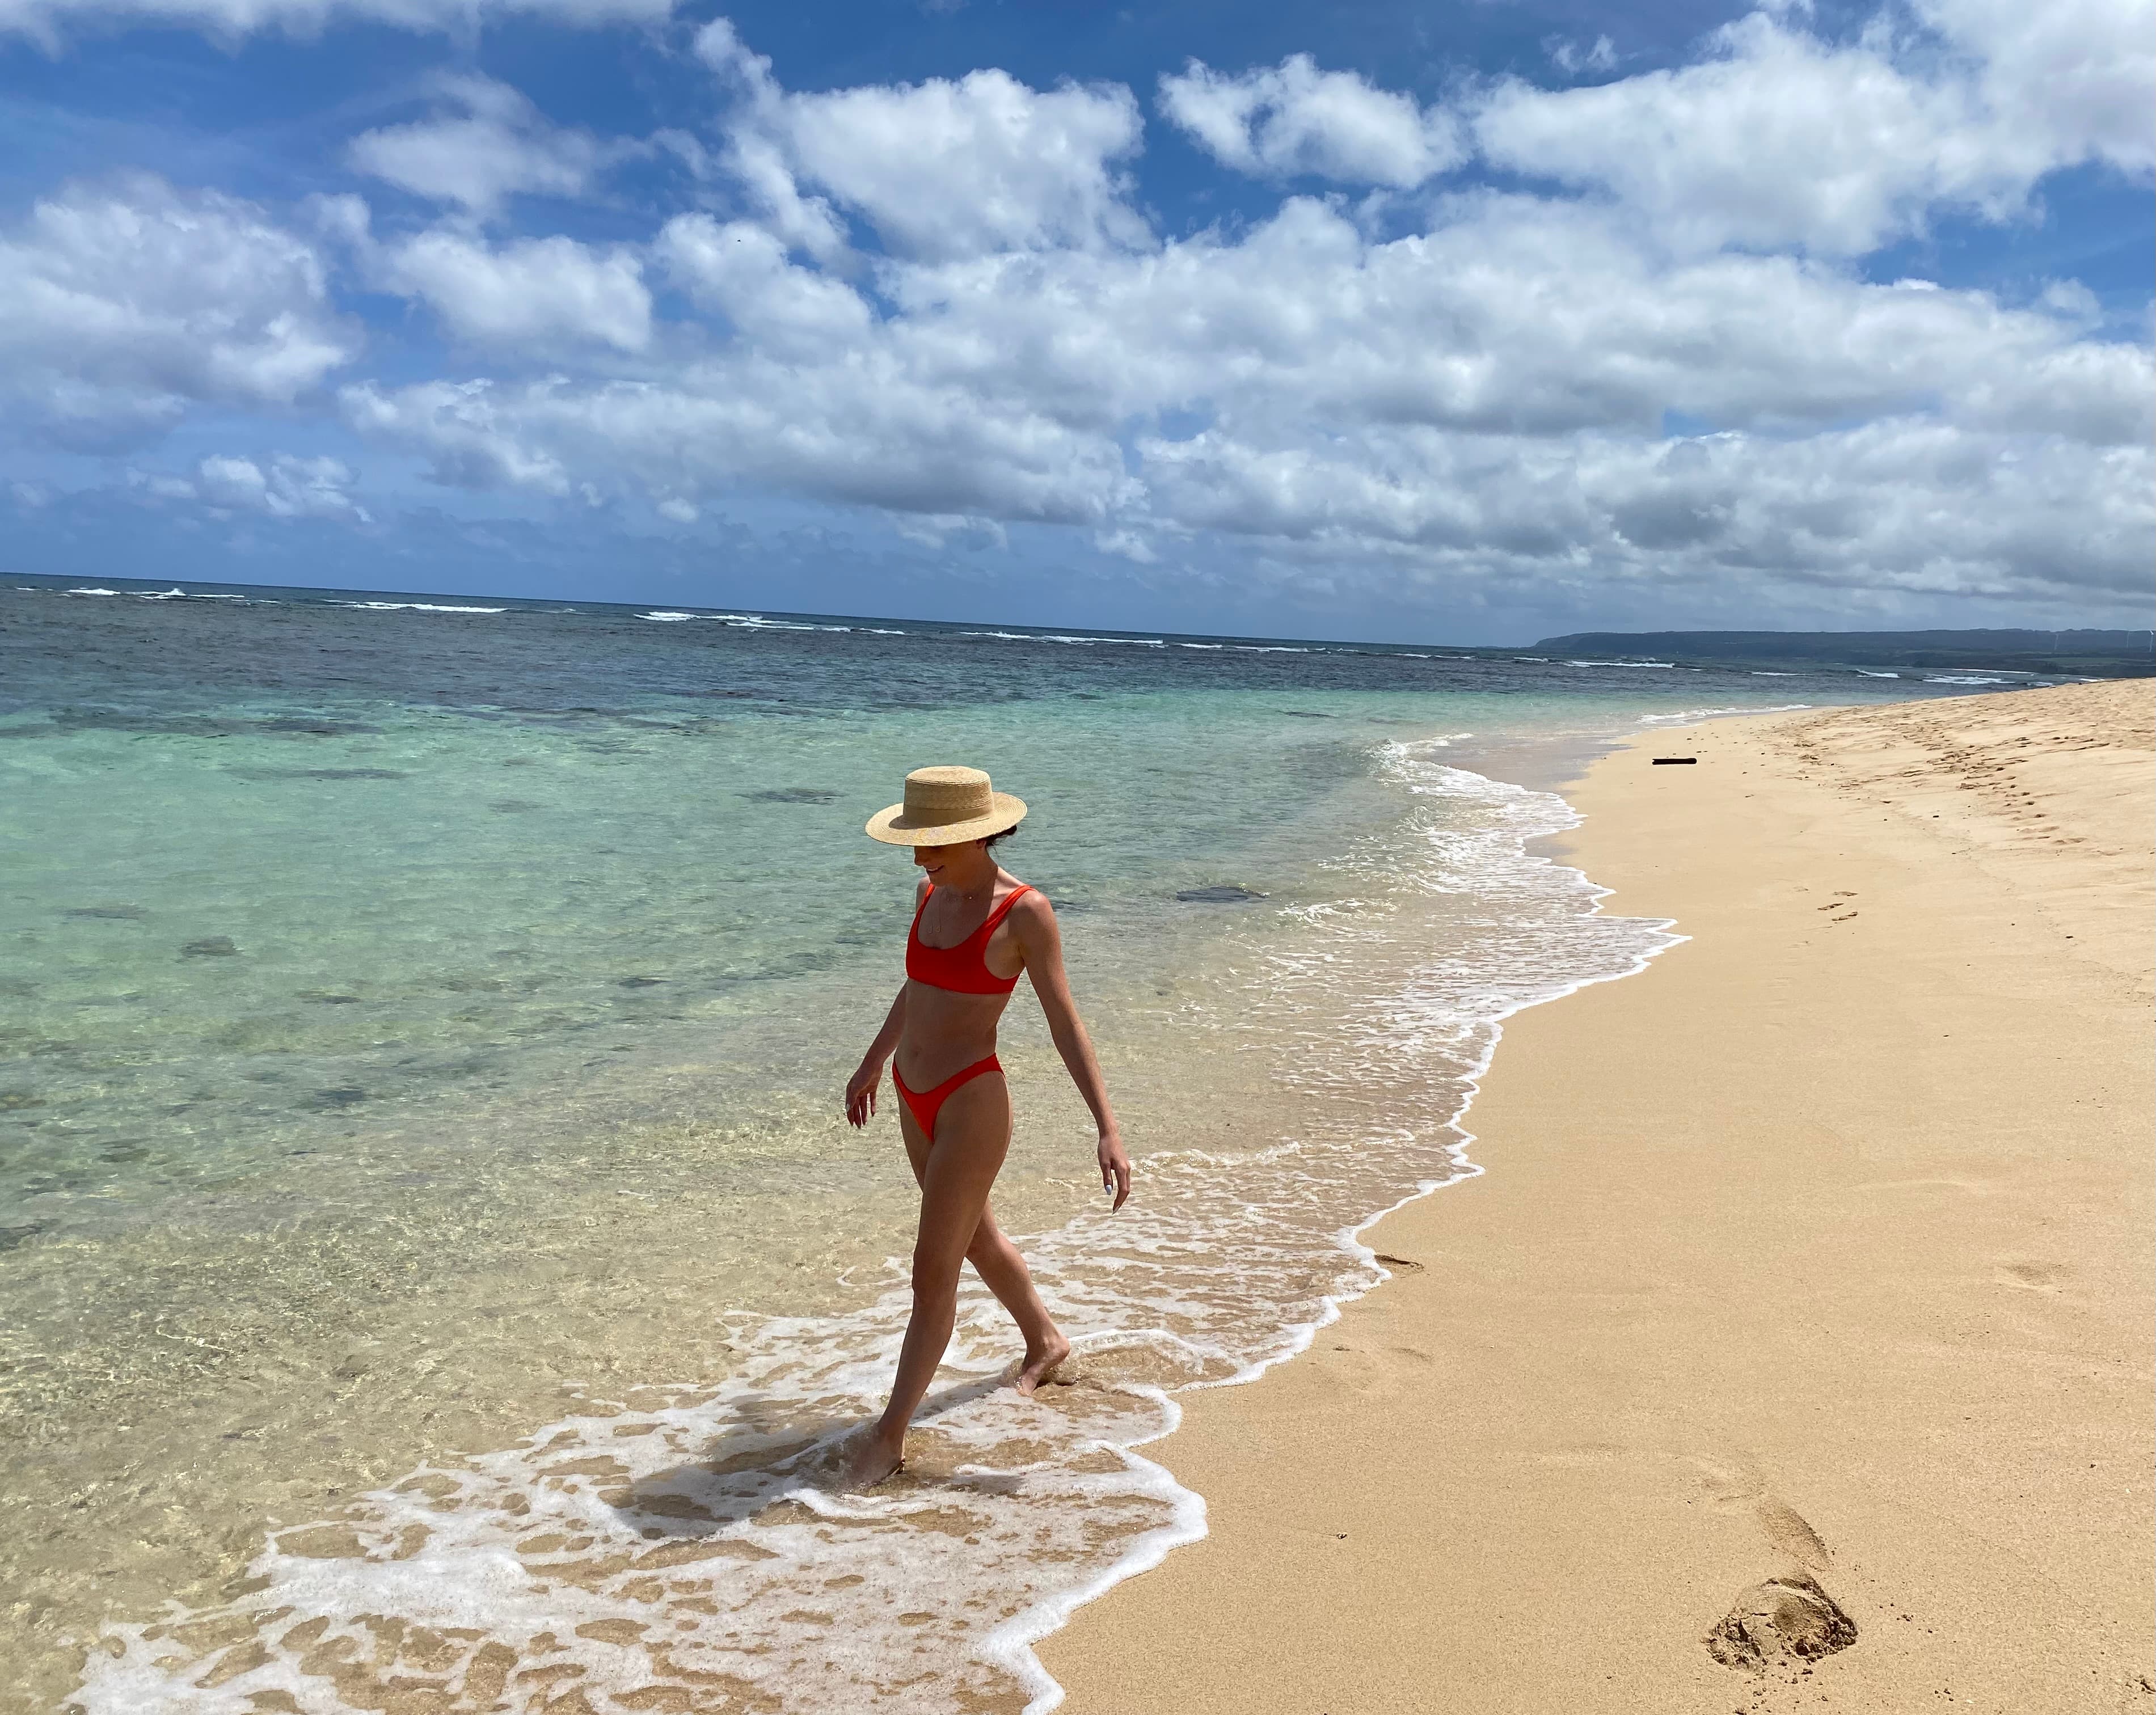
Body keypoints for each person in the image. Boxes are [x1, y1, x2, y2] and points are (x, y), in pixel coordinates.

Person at [842, 765, 1130, 1489]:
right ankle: (1046, 1341)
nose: (917, 857)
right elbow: (919, 987)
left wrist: (1106, 1125)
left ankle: (890, 1435)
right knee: (974, 1237)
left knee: (930, 1272)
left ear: (978, 832)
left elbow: (1065, 1020)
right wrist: (873, 1062)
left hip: (972, 1101)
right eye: (914, 842)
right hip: (913, 1093)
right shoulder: (928, 892)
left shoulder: (1025, 913)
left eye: (932, 842)